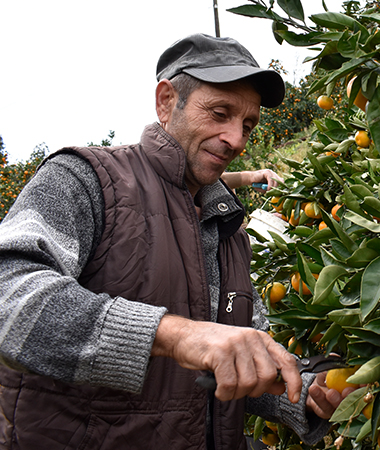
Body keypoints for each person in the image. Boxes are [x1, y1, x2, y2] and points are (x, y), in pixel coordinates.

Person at [0, 33, 353, 449]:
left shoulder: (229, 228)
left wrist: (305, 392)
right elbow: (9, 296)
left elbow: (241, 357)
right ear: (167, 101)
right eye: (220, 112)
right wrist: (175, 335)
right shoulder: (85, 178)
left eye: (248, 125)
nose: (236, 139)